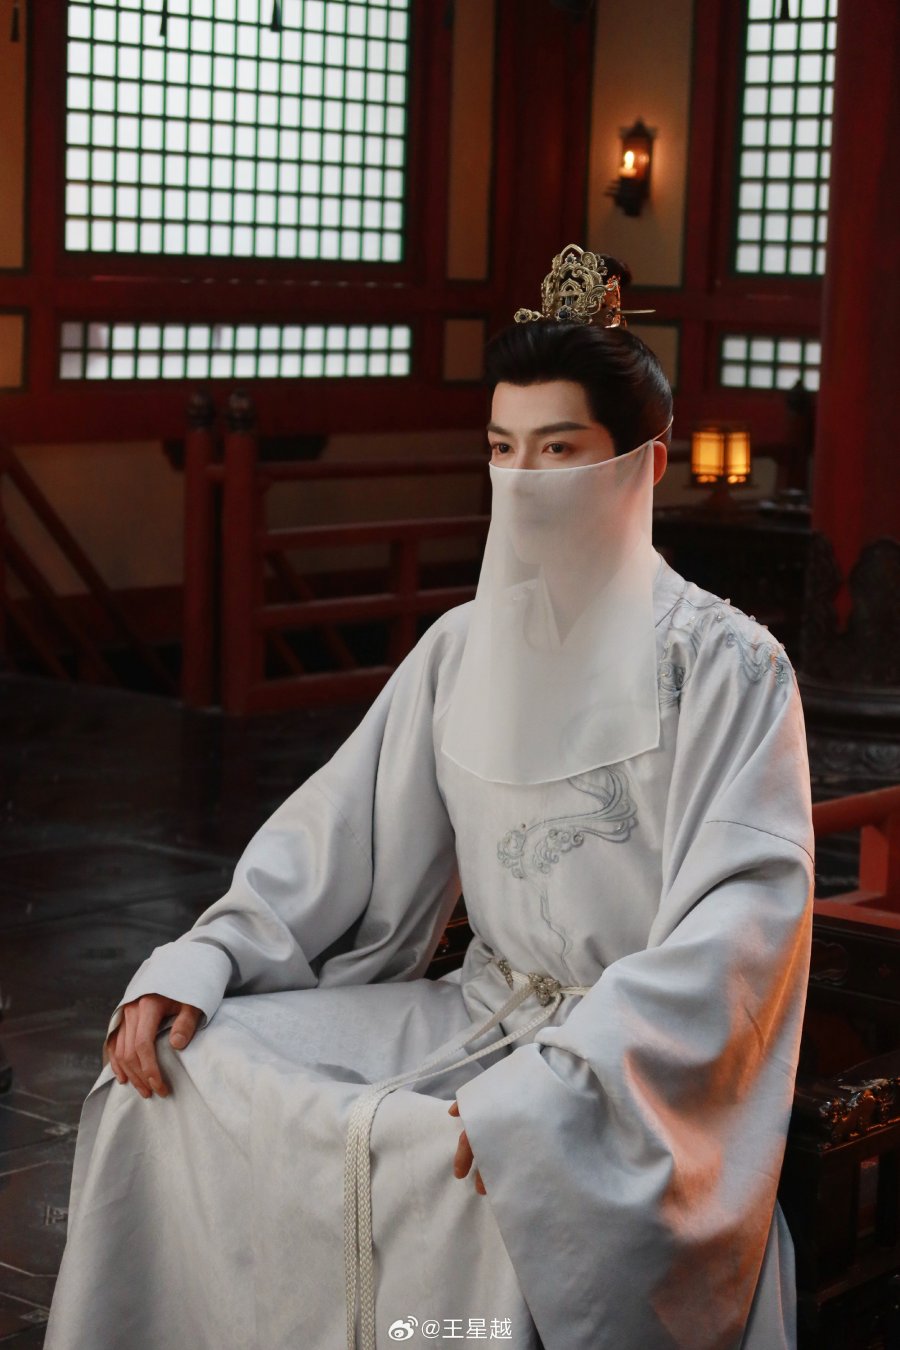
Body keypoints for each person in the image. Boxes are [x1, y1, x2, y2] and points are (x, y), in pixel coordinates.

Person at [44, 246, 814, 1350]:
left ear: (643, 462)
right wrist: (204, 958)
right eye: (503, 448)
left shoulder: (728, 668)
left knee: (514, 1177)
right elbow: (336, 836)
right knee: (175, 1070)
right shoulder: (462, 648)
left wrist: (570, 1081)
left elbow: (740, 928)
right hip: (476, 1004)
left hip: (622, 1072)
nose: (525, 478)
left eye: (560, 448)